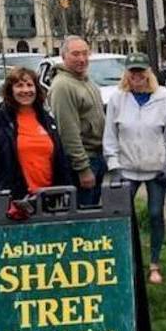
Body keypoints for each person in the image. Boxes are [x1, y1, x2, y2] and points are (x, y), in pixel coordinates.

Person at [103, 53, 166, 285]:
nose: (137, 76)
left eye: (141, 72)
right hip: (126, 170)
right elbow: (110, 137)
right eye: (132, 72)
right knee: (123, 217)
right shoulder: (118, 99)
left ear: (148, 73)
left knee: (156, 215)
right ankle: (125, 261)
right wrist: (114, 166)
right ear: (127, 74)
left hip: (155, 170)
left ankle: (154, 264)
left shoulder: (163, 99)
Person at [0, 66, 70, 204]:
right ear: (10, 90)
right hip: (15, 199)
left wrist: (66, 188)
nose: (25, 90)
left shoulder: (46, 119)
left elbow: (59, 157)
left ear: (36, 89)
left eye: (29, 85)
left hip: (48, 197)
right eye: (19, 86)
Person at [50, 35, 107, 207]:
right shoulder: (63, 86)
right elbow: (68, 132)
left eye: (85, 53)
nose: (81, 59)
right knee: (83, 215)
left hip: (97, 157)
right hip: (83, 161)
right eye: (75, 54)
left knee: (93, 210)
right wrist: (83, 169)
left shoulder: (85, 80)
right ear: (63, 56)